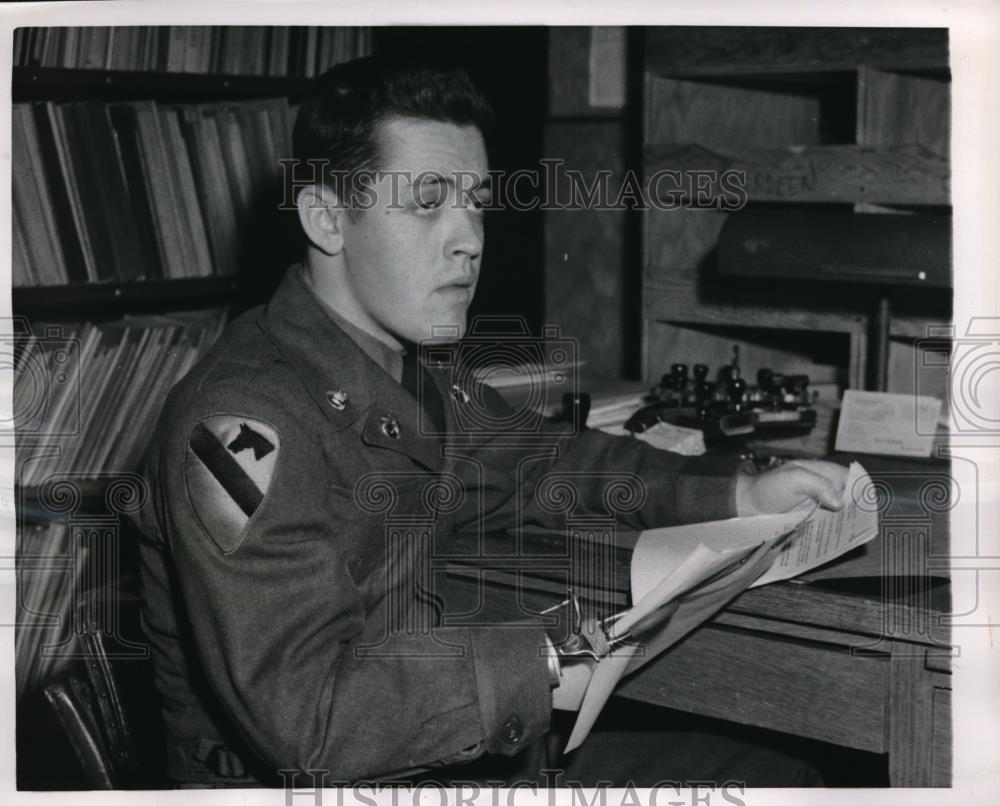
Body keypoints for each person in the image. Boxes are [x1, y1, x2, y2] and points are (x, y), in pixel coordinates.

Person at [133, 56, 848, 788]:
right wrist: (541, 658)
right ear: (326, 218)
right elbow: (309, 725)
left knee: (780, 776)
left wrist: (737, 495)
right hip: (307, 782)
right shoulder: (244, 425)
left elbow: (547, 461)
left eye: (474, 202)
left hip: (420, 757)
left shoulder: (408, 368)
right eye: (427, 203)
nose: (468, 238)